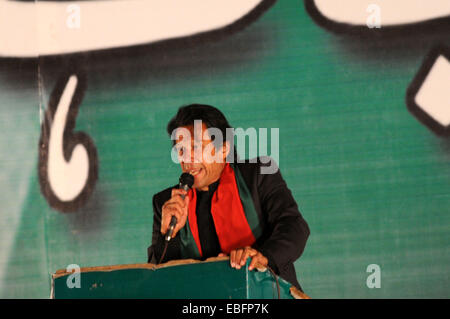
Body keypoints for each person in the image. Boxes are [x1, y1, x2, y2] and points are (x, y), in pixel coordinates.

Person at [147, 104, 310, 290]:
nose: (187, 159)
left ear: (224, 149)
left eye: (196, 148)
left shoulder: (258, 175)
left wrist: (263, 257)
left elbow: (294, 227)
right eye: (181, 151)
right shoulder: (167, 203)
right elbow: (159, 278)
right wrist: (168, 235)